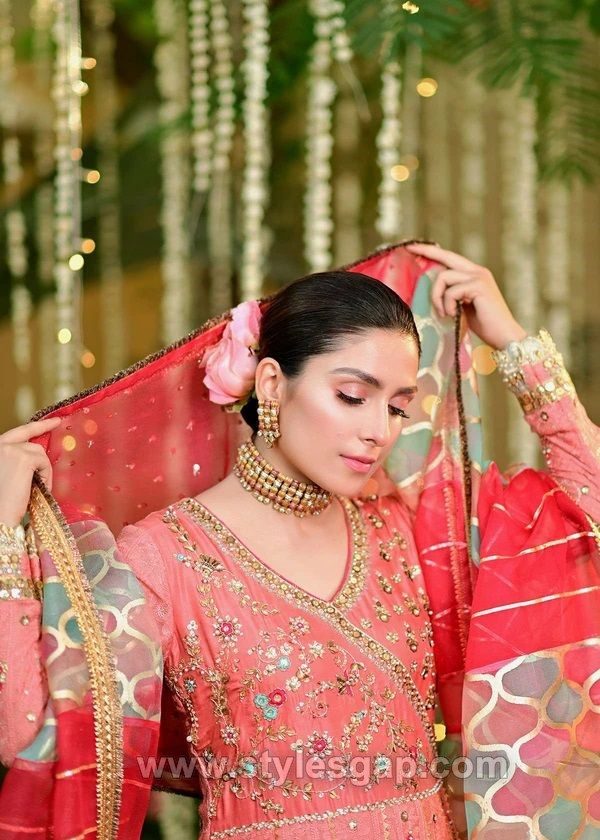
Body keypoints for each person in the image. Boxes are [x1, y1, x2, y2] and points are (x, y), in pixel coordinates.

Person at [0, 241, 598, 840]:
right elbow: (31, 737)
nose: (378, 431)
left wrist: (518, 347)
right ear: (271, 383)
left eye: (397, 408)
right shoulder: (163, 556)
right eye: (352, 396)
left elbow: (586, 520)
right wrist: (3, 533)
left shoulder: (406, 526)